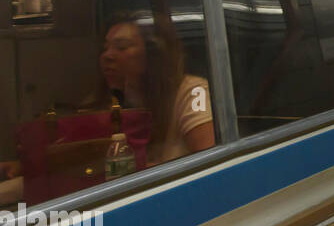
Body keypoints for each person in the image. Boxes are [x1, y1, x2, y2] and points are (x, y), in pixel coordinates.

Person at [0, 14, 214, 206]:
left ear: (151, 55)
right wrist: (30, 165)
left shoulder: (192, 91)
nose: (107, 56)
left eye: (121, 47)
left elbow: (209, 164)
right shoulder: (106, 100)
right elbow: (83, 161)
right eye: (105, 48)